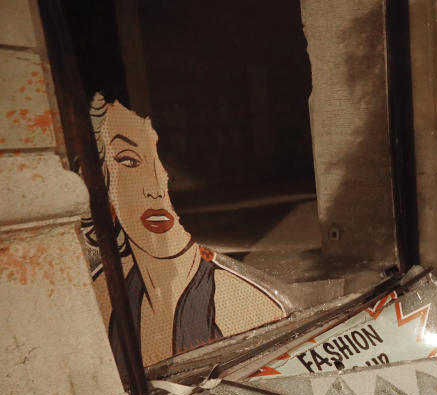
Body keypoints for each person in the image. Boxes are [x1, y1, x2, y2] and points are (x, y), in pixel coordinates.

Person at [83, 94, 286, 368]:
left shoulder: (241, 304)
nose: (154, 188)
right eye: (130, 161)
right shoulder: (102, 295)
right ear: (102, 182)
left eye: (166, 161)